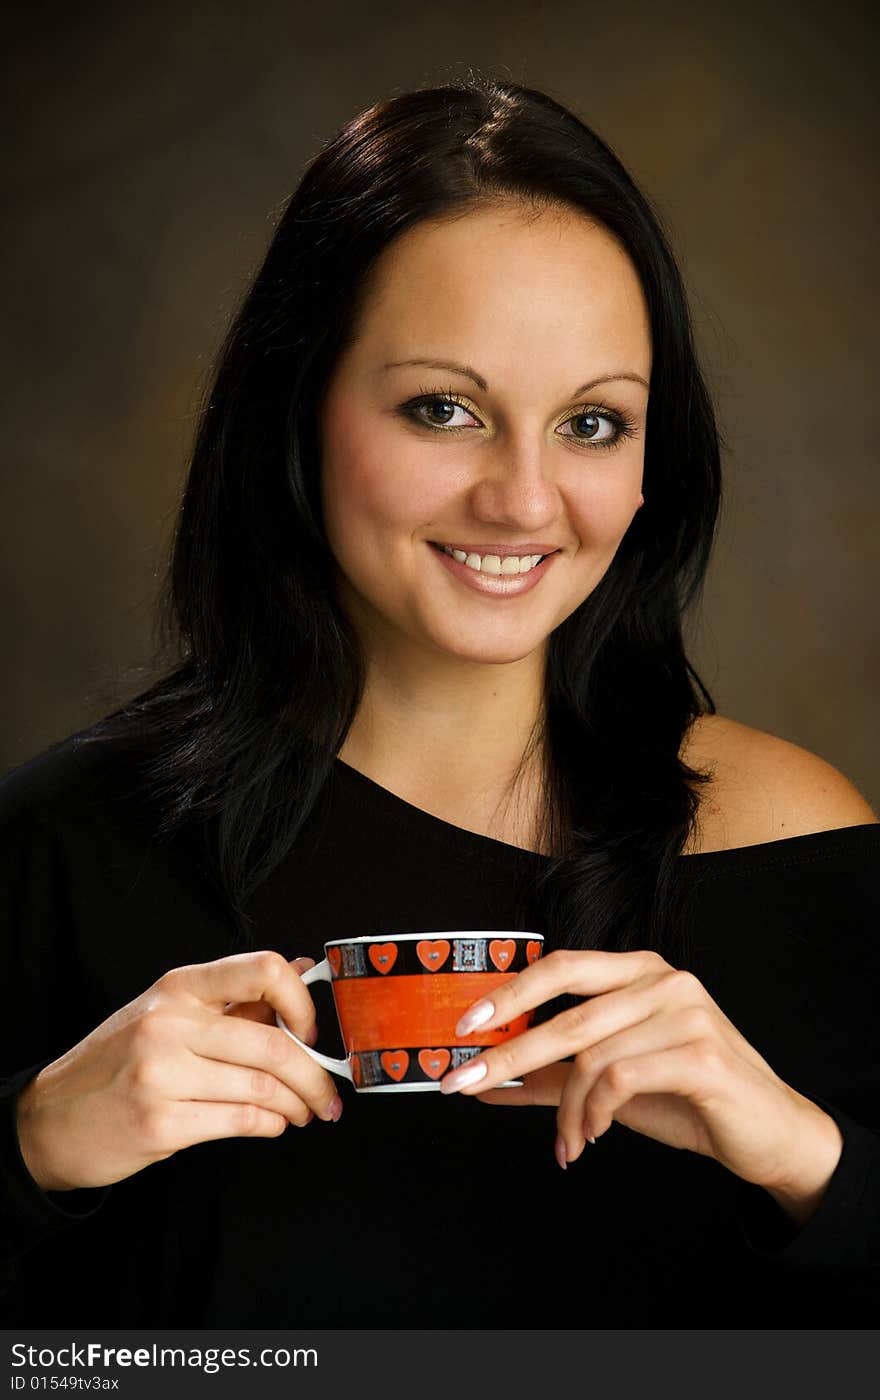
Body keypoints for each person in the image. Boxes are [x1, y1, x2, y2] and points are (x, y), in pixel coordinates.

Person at [1, 74, 878, 1330]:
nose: (524, 501)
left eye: (590, 422)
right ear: (297, 410)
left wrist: (810, 1161)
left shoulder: (794, 835)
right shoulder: (57, 848)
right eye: (443, 409)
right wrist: (29, 1147)